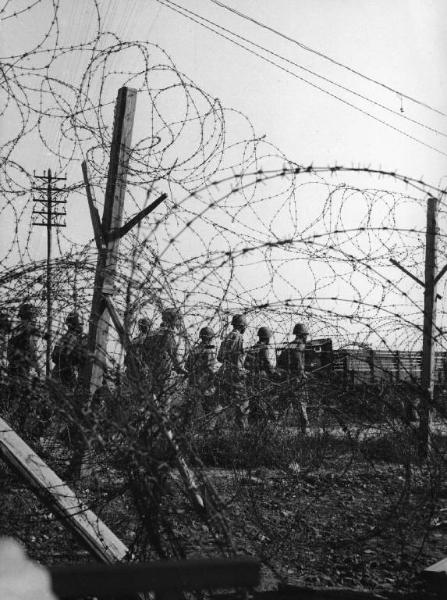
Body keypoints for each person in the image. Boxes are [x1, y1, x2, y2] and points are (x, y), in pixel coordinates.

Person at [7, 303, 41, 431]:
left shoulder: (15, 330)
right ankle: (19, 429)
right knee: (26, 401)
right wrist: (38, 369)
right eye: (34, 317)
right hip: (22, 371)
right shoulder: (29, 330)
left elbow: (9, 353)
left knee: (14, 400)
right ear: (30, 317)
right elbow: (32, 353)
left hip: (13, 369)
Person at [142, 308, 186, 403]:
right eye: (179, 319)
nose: (180, 322)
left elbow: (144, 355)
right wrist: (184, 371)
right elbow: (175, 358)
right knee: (165, 404)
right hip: (165, 375)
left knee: (153, 403)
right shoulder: (168, 335)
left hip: (152, 374)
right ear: (173, 320)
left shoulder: (151, 334)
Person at [217, 314, 249, 430]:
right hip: (235, 374)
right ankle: (242, 431)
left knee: (222, 403)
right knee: (243, 403)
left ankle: (216, 428)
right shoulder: (238, 336)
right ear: (242, 326)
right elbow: (232, 355)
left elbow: (220, 357)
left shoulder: (227, 337)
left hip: (224, 373)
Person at [277, 322, 309, 434]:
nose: (307, 337)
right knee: (301, 404)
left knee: (283, 405)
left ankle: (277, 428)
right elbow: (299, 363)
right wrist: (303, 375)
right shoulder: (300, 346)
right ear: (303, 335)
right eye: (306, 335)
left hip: (287, 379)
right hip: (297, 380)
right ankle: (305, 430)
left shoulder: (289, 345)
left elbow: (280, 362)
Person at [185, 326, 220, 428]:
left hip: (193, 383)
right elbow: (211, 368)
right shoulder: (210, 350)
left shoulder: (194, 350)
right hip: (206, 384)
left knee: (191, 411)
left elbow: (187, 366)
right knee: (211, 410)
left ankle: (188, 430)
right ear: (210, 338)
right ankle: (208, 431)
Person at [244, 326, 277, 423]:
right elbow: (267, 363)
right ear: (267, 338)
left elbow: (246, 364)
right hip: (261, 377)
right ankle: (263, 421)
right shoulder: (264, 348)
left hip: (251, 377)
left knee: (254, 400)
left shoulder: (253, 348)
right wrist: (274, 373)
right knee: (263, 399)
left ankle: (253, 421)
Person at [52, 311, 87, 390]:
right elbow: (66, 356)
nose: (81, 327)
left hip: (59, 373)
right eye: (80, 324)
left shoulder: (64, 338)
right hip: (66, 375)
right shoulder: (73, 338)